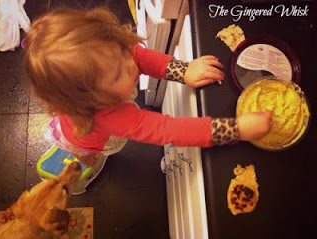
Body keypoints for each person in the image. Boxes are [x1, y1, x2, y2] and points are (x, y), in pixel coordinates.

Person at [24, 7, 272, 167]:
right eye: (118, 74)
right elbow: (169, 129)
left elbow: (141, 58)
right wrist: (236, 129)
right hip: (83, 137)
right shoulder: (109, 117)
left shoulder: (113, 54)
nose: (130, 64)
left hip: (77, 119)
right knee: (94, 154)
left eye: (122, 51)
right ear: (91, 101)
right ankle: (86, 159)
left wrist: (184, 70)